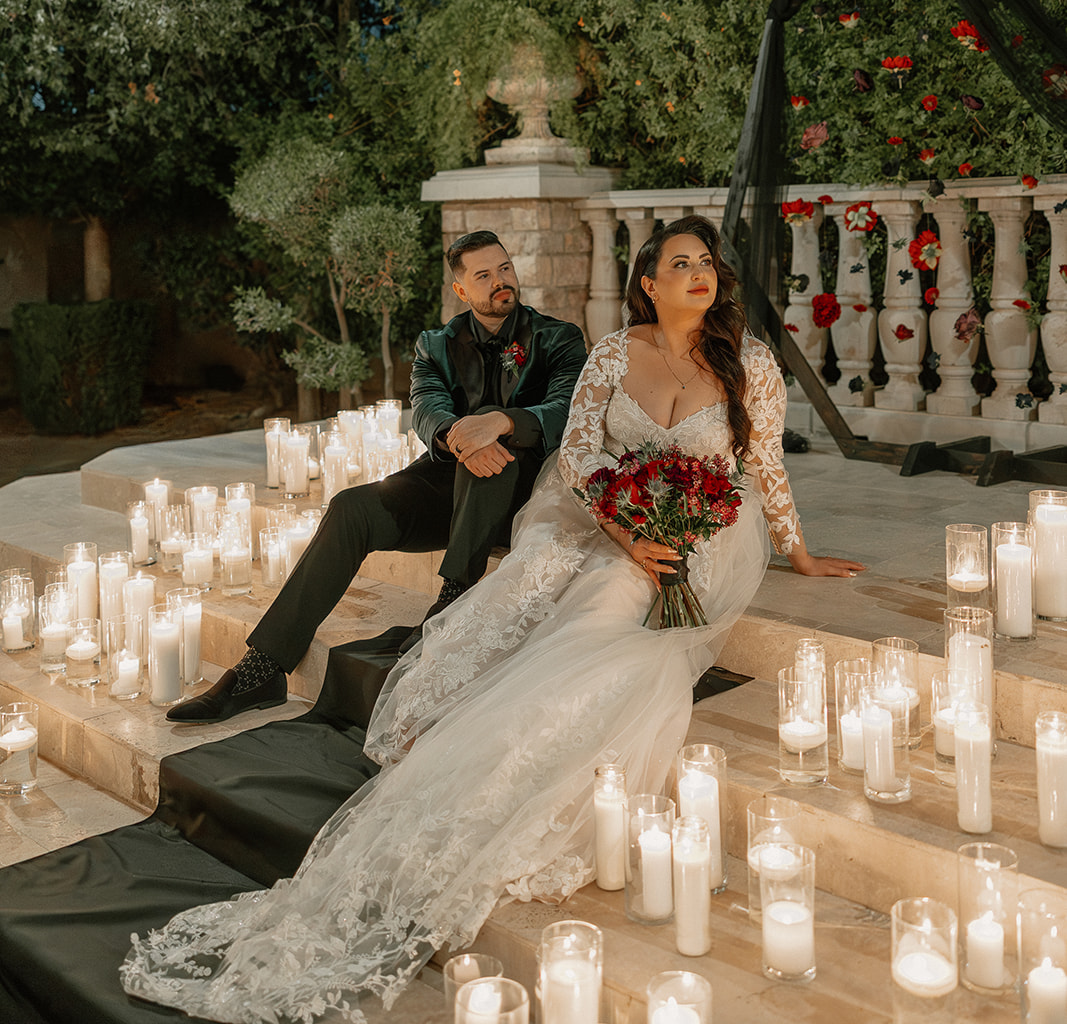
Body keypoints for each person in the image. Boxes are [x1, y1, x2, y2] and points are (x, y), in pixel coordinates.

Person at [123, 215, 864, 1021]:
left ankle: (504, 695)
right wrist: (604, 511)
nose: (699, 272)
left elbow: (759, 464)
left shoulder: (680, 352)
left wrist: (795, 552)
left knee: (599, 606)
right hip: (542, 497)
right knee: (371, 513)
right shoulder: (507, 348)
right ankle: (266, 666)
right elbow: (555, 449)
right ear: (646, 283)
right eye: (678, 263)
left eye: (706, 262)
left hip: (684, 519)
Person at [169, 230, 589, 725]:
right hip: (444, 489)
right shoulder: (435, 345)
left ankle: (451, 603)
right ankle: (262, 669)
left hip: (519, 499)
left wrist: (500, 422)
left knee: (496, 451)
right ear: (461, 290)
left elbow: (567, 407)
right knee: (351, 507)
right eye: (484, 275)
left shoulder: (558, 337)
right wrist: (460, 436)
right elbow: (428, 409)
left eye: (505, 269)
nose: (501, 281)